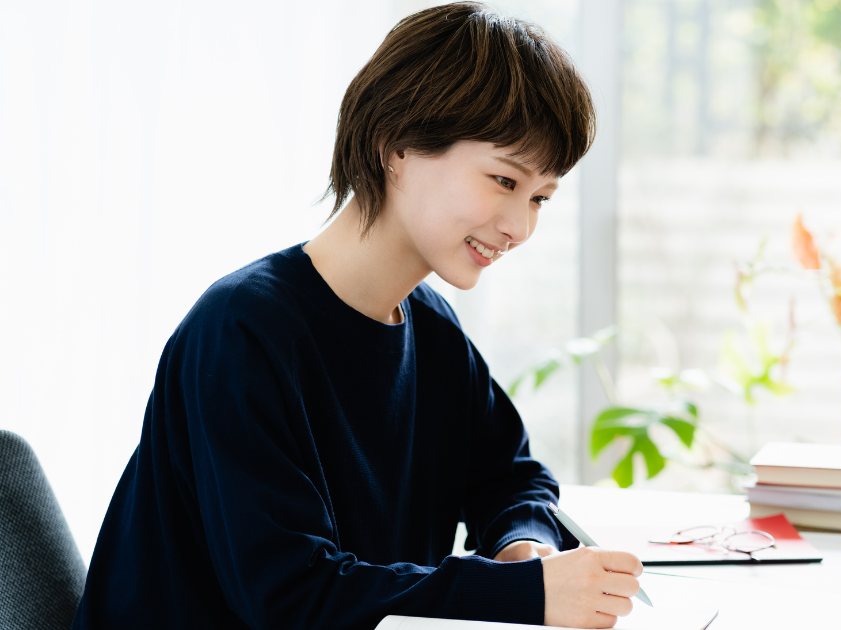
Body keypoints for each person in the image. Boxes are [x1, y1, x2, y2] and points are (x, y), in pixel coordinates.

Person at [71, 4, 643, 629]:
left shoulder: (430, 326)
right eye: (504, 181)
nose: (520, 226)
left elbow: (511, 475)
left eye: (540, 198)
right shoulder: (242, 331)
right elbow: (293, 598)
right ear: (396, 146)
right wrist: (522, 596)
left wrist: (522, 547)